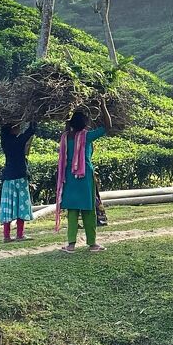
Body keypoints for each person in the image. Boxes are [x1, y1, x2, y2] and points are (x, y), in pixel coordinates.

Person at [56, 99, 112, 253]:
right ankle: (93, 244)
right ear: (85, 124)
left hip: (69, 176)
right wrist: (103, 106)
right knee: (88, 210)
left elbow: (68, 127)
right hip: (85, 175)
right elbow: (108, 127)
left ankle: (71, 245)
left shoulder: (66, 137)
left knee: (72, 211)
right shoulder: (87, 137)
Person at [0, 122, 37, 243]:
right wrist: (33, 120)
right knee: (22, 205)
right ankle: (20, 234)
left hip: (8, 179)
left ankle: (6, 236)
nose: (19, 128)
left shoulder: (4, 141)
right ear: (11, 129)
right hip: (20, 178)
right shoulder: (18, 141)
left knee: (8, 206)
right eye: (16, 126)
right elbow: (30, 132)